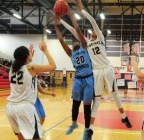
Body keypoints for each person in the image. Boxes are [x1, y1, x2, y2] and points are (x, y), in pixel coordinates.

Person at [62, 1, 132, 139]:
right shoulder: (86, 44)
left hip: (107, 69)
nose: (92, 31)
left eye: (95, 30)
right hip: (96, 72)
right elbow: (73, 30)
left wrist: (82, 11)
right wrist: (62, 22)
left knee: (115, 94)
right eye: (93, 31)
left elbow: (93, 21)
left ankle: (124, 117)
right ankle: (90, 130)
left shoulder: (100, 38)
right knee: (97, 100)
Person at [54, 9, 94, 138]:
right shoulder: (71, 54)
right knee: (75, 104)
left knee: (87, 107)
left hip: (88, 79)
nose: (74, 42)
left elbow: (77, 30)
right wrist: (56, 26)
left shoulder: (84, 47)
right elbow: (61, 41)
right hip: (78, 80)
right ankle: (74, 124)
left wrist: (70, 15)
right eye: (73, 42)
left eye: (76, 41)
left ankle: (87, 130)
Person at [6, 41, 56, 140]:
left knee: (21, 138)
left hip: (10, 108)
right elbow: (53, 66)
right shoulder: (31, 68)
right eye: (29, 53)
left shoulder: (12, 68)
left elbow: (24, 68)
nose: (31, 53)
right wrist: (45, 50)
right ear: (26, 57)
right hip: (25, 109)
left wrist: (28, 58)